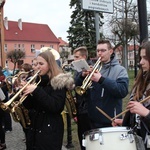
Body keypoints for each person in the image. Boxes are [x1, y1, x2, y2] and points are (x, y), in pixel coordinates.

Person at [22, 50, 74, 150]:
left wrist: (36, 91)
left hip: (51, 129)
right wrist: (24, 93)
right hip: (35, 128)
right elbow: (29, 106)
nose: (37, 67)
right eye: (36, 64)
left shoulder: (58, 82)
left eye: (41, 64)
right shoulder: (38, 81)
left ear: (50, 65)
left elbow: (56, 107)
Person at [75, 39, 129, 129]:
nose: (99, 53)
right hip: (92, 120)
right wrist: (82, 76)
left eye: (103, 50)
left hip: (111, 121)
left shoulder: (120, 70)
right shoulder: (93, 68)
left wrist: (101, 79)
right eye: (98, 51)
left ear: (111, 51)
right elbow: (77, 87)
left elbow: (122, 91)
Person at [112, 41, 150, 150]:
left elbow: (144, 113)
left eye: (145, 58)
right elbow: (138, 119)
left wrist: (146, 113)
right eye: (140, 58)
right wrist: (125, 123)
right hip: (137, 143)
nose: (141, 62)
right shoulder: (142, 81)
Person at [73, 46, 92, 150]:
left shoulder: (89, 68)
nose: (74, 60)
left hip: (87, 109)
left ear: (83, 57)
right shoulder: (78, 69)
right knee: (82, 137)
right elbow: (75, 85)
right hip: (80, 107)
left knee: (87, 138)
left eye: (76, 57)